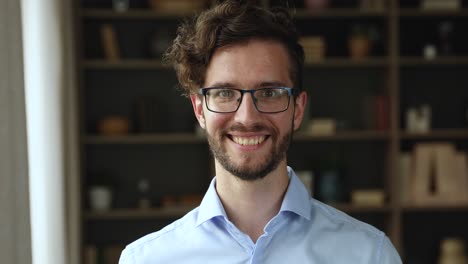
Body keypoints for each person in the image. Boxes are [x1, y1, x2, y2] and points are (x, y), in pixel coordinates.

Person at [119, 1, 402, 263]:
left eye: (269, 92)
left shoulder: (370, 255)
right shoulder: (145, 259)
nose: (247, 117)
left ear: (298, 109)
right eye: (225, 93)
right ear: (200, 109)